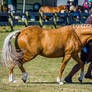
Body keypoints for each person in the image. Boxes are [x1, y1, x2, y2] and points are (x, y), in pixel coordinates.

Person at [64, 9, 92, 83]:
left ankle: (88, 73)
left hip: (89, 45)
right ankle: (68, 77)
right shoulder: (89, 22)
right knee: (81, 62)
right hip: (87, 46)